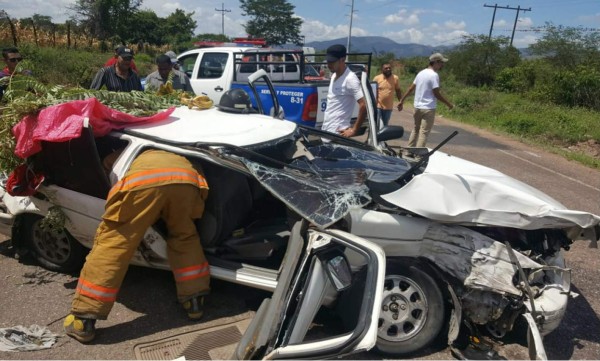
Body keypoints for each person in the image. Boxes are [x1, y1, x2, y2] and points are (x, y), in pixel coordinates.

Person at [63, 149, 211, 343]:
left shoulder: (128, 150)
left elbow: (104, 171)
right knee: (185, 236)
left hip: (143, 185)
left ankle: (83, 318)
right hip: (186, 183)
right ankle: (194, 301)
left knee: (115, 245)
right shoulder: (179, 150)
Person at [398, 52, 454, 149]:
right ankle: (418, 156)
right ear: (436, 62)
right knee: (424, 133)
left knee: (415, 129)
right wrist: (449, 104)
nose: (442, 65)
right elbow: (436, 93)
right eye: (441, 63)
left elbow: (411, 88)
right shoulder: (434, 75)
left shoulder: (421, 73)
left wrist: (402, 100)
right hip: (428, 108)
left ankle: (409, 151)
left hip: (417, 107)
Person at [321, 44, 366, 138]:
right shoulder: (333, 75)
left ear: (343, 59)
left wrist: (354, 129)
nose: (329, 65)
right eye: (328, 61)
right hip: (327, 130)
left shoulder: (350, 79)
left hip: (338, 134)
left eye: (332, 62)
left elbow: (364, 104)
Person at [373, 63, 402, 128]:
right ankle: (376, 137)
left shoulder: (395, 78)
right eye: (386, 68)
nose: (388, 69)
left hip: (388, 107)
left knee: (385, 125)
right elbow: (372, 91)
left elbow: (398, 90)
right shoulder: (377, 78)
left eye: (389, 68)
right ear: (382, 69)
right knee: (379, 124)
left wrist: (400, 101)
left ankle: (381, 138)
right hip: (378, 106)